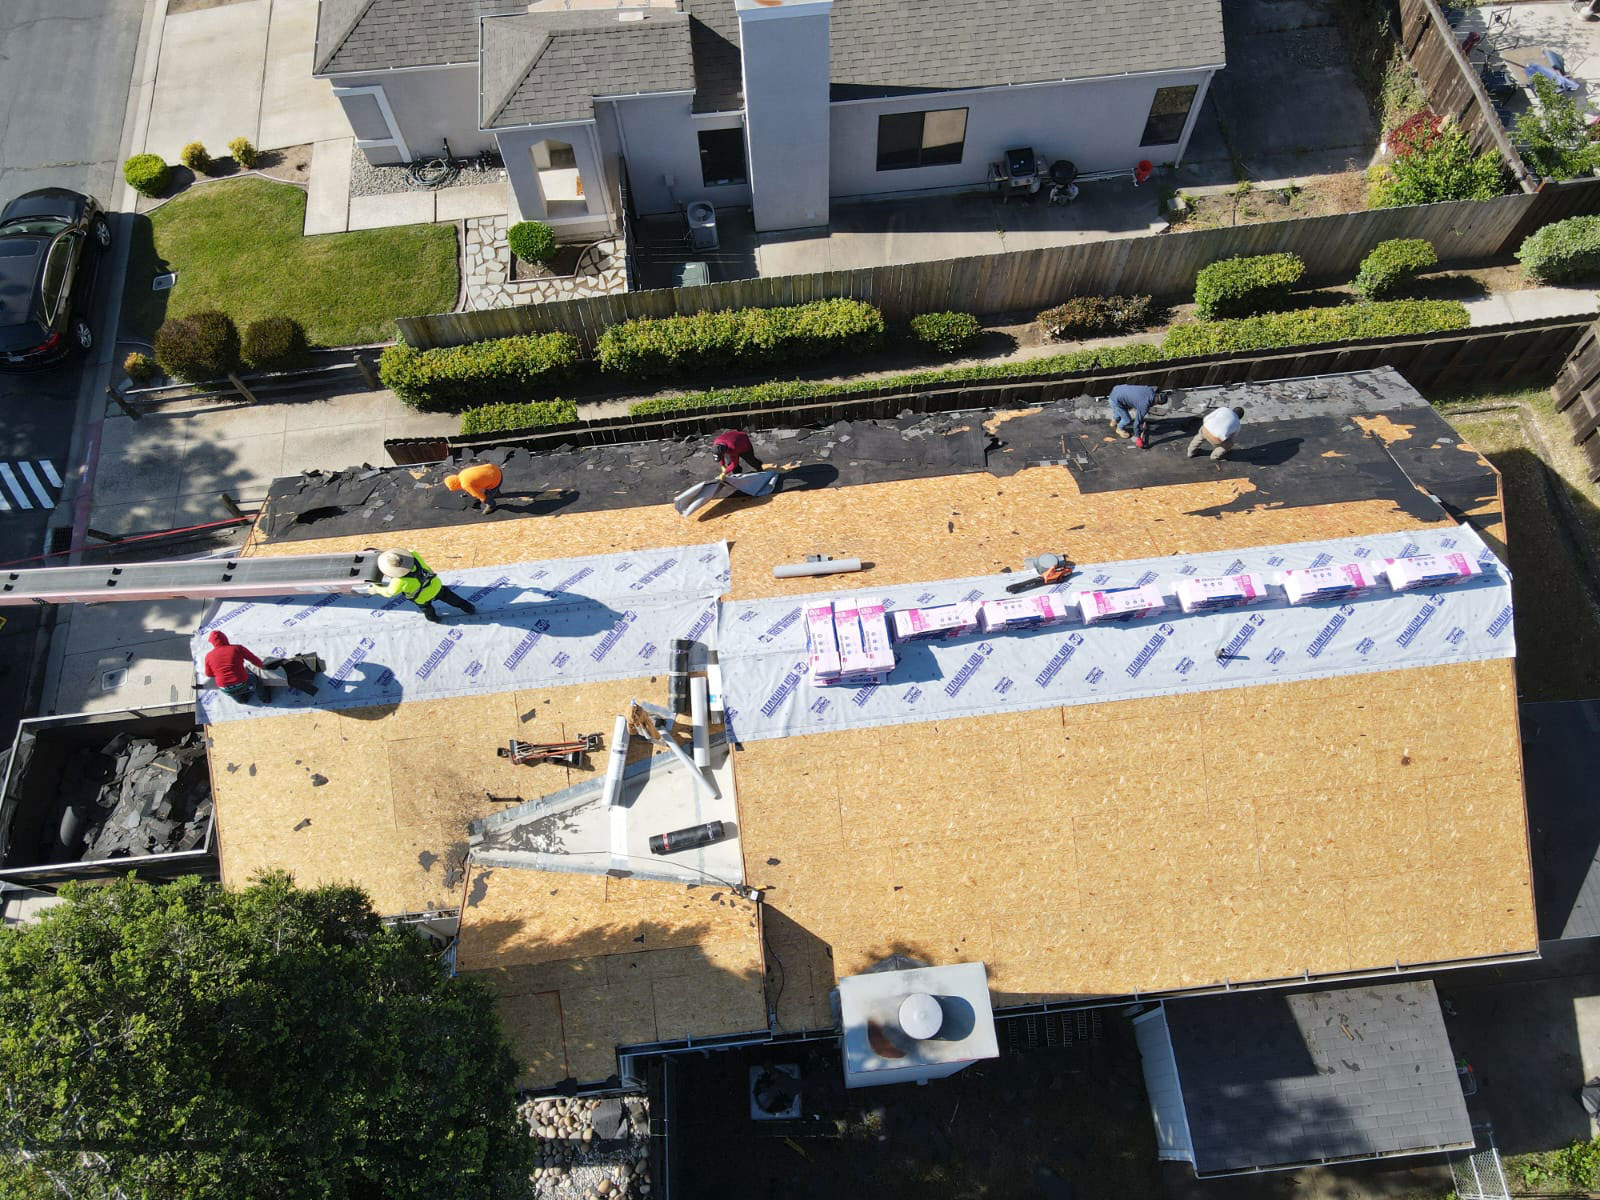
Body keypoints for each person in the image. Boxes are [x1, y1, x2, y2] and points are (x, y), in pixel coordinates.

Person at [369, 550, 476, 623]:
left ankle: (434, 619)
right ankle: (469, 608)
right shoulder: (414, 554)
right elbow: (408, 551)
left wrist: (376, 589)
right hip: (435, 586)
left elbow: (389, 592)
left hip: (421, 597)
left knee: (427, 609)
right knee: (453, 599)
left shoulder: (398, 581)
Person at [202, 630, 270, 703]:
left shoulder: (208, 656)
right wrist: (262, 666)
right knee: (256, 680)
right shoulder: (237, 648)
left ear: (212, 642)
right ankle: (265, 698)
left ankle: (242, 700)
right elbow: (253, 659)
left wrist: (219, 672)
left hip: (225, 689)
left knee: (234, 692)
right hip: (243, 683)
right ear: (225, 638)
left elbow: (209, 674)